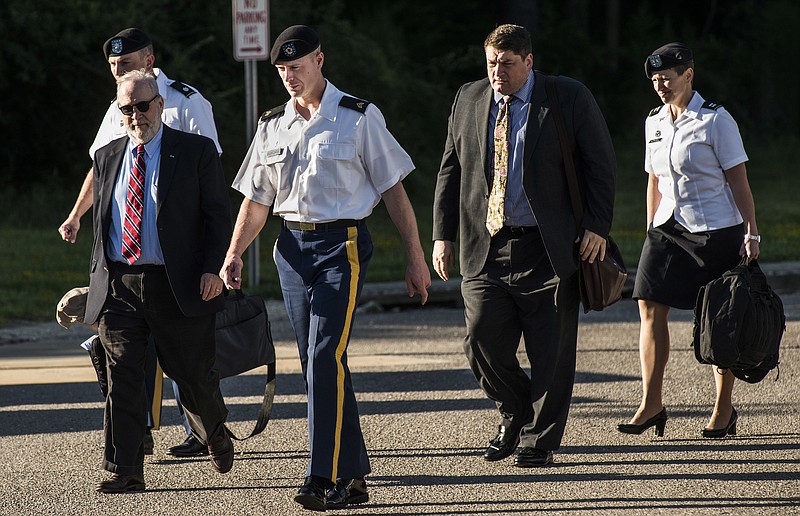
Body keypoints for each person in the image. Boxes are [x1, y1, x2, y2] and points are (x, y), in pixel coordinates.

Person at [219, 25, 431, 511]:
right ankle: (353, 476)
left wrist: (415, 257)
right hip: (291, 250)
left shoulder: (357, 117)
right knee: (322, 364)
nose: (289, 77)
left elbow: (394, 190)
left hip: (343, 246)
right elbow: (256, 201)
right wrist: (233, 254)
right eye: (281, 70)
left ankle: (322, 475)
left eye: (297, 66)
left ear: (320, 60)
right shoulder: (272, 124)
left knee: (322, 358)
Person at [432, 24, 616, 468]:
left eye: (508, 64)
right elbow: (450, 169)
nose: (498, 72)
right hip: (486, 244)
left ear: (529, 62)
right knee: (481, 339)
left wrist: (596, 225)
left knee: (551, 351)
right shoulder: (469, 98)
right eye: (492, 62)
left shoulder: (566, 97)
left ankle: (539, 439)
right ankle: (515, 411)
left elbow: (601, 165)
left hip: (550, 248)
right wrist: (442, 235)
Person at [58, 27, 221, 458]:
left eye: (126, 64)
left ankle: (204, 429)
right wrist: (77, 215)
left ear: (148, 58)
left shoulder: (187, 101)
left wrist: (213, 262)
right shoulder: (119, 104)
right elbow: (103, 166)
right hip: (125, 268)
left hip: (176, 264)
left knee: (186, 365)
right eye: (112, 67)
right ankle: (129, 454)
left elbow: (208, 185)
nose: (118, 73)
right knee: (124, 365)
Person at [85, 70, 234, 493]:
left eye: (143, 106)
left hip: (179, 284)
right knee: (123, 377)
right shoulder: (108, 156)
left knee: (191, 375)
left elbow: (217, 216)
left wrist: (213, 268)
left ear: (160, 105)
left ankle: (214, 430)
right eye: (126, 108)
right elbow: (103, 227)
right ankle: (125, 468)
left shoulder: (195, 152)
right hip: (120, 285)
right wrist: (94, 283)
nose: (136, 115)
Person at [617, 43, 759, 439]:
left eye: (667, 78)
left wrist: (752, 232)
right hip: (668, 227)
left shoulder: (716, 120)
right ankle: (651, 403)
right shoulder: (655, 121)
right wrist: (650, 228)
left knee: (719, 318)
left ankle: (724, 407)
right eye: (654, 80)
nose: (660, 85)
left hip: (716, 228)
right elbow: (654, 179)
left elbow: (739, 182)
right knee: (648, 305)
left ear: (689, 75)